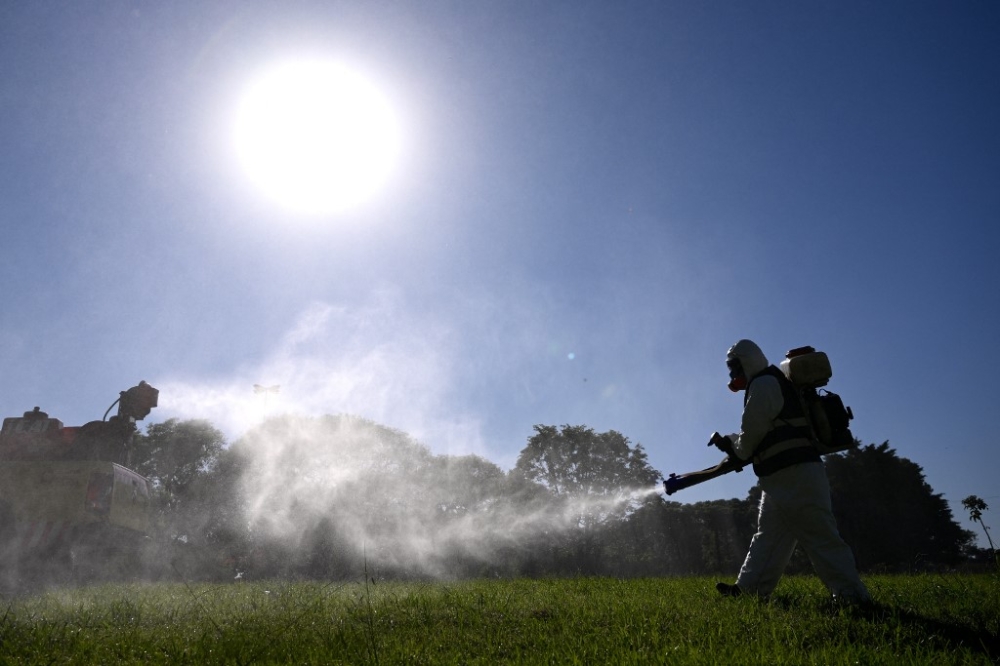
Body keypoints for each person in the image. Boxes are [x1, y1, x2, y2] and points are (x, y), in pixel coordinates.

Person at [712, 339, 870, 604]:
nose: (732, 374)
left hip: (795, 475)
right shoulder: (771, 381)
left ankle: (852, 597)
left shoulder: (763, 385)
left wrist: (730, 446)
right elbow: (759, 433)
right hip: (783, 477)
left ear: (746, 362)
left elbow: (750, 437)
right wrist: (734, 446)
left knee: (821, 537)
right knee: (770, 537)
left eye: (734, 366)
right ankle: (749, 591)